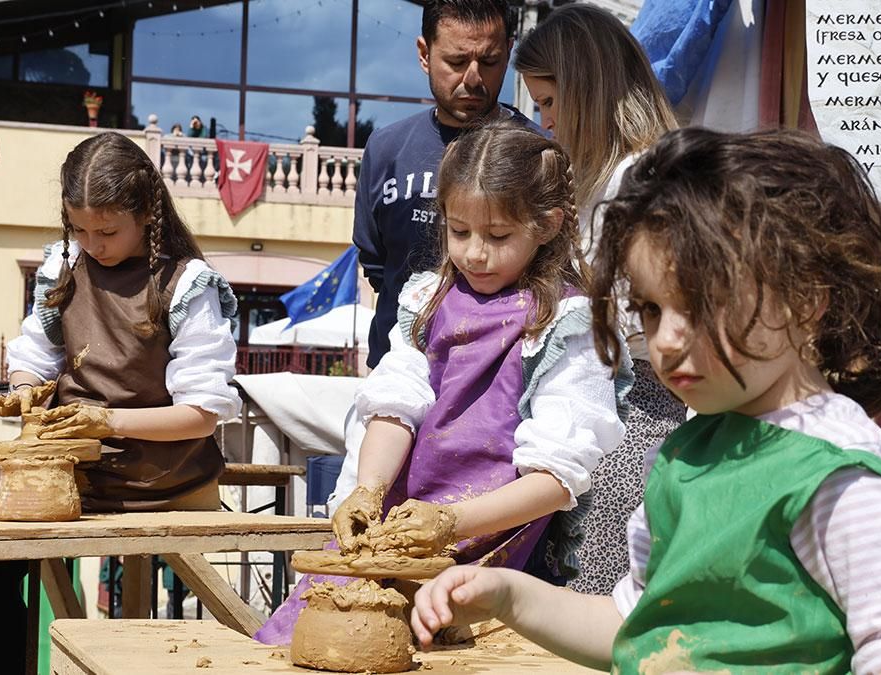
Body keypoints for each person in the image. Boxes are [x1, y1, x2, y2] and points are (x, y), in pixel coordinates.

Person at [411, 128, 881, 674]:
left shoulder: (840, 478)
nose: (667, 339)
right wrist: (509, 595)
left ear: (806, 300)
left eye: (701, 304)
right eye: (653, 310)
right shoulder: (686, 455)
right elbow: (636, 629)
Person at [0, 131, 240, 674]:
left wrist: (106, 420)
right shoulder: (64, 266)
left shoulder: (186, 284)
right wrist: (26, 385)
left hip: (153, 474)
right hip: (60, 466)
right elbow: (36, 352)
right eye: (79, 228)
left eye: (108, 231)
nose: (93, 243)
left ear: (147, 213)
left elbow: (200, 414)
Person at [256, 120, 629, 645]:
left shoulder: (566, 322)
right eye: (459, 232)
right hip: (397, 528)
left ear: (547, 225)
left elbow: (556, 479)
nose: (475, 253)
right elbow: (395, 403)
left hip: (491, 552)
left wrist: (452, 523)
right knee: (318, 638)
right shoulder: (427, 298)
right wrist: (368, 489)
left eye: (498, 236)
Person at [513, 3, 685, 595]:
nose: (546, 121)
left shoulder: (647, 178)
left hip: (644, 411)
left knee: (601, 597)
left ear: (589, 88)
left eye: (551, 102)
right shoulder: (601, 176)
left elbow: (662, 318)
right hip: (607, 406)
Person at [353, 0, 542, 371]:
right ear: (424, 54)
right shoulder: (387, 148)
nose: (473, 78)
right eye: (456, 62)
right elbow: (376, 265)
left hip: (501, 381)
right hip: (396, 372)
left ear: (509, 51)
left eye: (488, 62)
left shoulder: (537, 153)